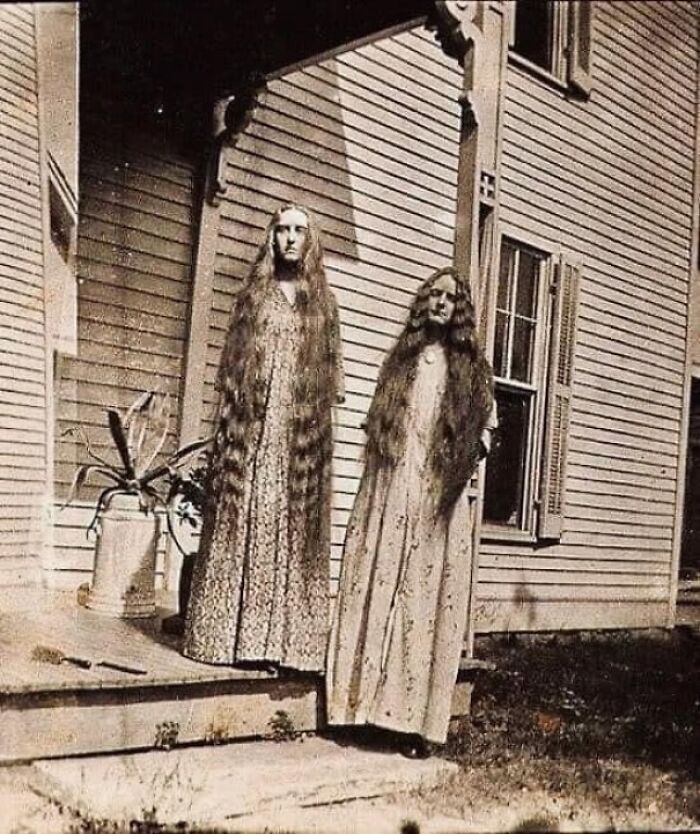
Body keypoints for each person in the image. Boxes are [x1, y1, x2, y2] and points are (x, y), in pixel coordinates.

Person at [326, 265, 495, 757]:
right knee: (377, 585)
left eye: (451, 298)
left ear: (460, 309)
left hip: (436, 495)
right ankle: (358, 711)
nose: (441, 303)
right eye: (434, 295)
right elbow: (378, 422)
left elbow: (485, 432)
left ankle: (410, 725)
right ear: (423, 302)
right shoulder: (402, 360)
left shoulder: (472, 371)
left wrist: (457, 465)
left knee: (420, 601)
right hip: (391, 485)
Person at [183, 204, 344, 672]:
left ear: (311, 240)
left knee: (290, 524)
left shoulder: (322, 303)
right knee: (248, 515)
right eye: (282, 230)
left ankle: (284, 645)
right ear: (271, 238)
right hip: (254, 428)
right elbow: (233, 368)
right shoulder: (255, 296)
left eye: (299, 231)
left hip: (298, 433)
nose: (290, 239)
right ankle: (229, 640)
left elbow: (331, 375)